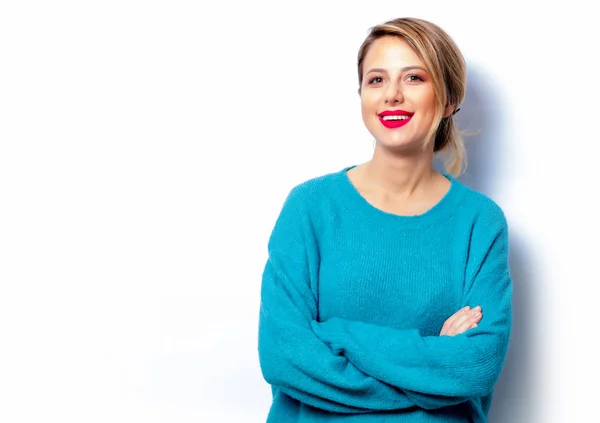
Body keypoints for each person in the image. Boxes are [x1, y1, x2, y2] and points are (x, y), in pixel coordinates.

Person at [257, 17, 512, 423]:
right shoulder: (309, 207)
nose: (392, 95)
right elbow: (283, 355)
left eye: (413, 78)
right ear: (361, 95)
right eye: (376, 80)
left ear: (448, 100)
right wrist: (433, 365)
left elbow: (476, 366)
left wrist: (336, 335)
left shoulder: (479, 223)